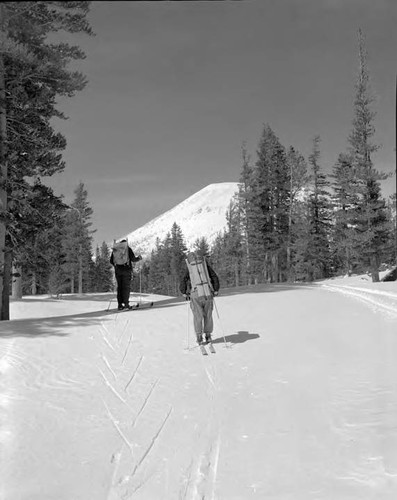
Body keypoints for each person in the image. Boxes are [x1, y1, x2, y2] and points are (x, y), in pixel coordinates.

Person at [180, 251, 220, 345]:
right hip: (207, 293)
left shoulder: (190, 267)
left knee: (198, 316)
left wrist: (184, 292)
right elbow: (214, 276)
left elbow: (184, 279)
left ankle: (199, 337)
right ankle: (208, 335)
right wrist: (215, 289)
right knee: (208, 315)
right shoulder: (205, 266)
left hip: (195, 294)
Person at [110, 239, 142, 310]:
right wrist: (139, 258)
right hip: (126, 270)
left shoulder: (116, 249)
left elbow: (111, 261)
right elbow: (133, 259)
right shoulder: (128, 249)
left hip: (118, 271)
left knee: (120, 287)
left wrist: (117, 266)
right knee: (126, 287)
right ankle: (126, 304)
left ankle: (120, 305)